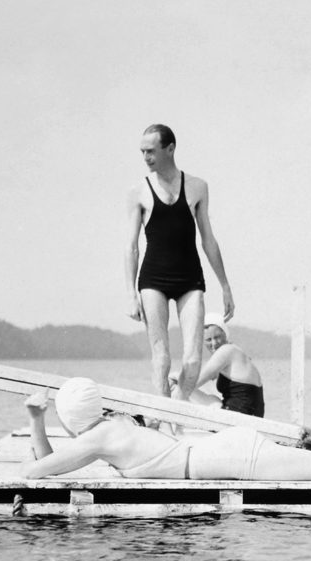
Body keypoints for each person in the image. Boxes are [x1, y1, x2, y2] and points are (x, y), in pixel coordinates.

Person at [17, 378, 311, 482]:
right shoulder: (113, 424)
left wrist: (36, 421)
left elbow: (38, 472)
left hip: (231, 458)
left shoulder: (100, 437)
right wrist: (39, 421)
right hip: (225, 452)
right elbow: (48, 465)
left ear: (72, 418)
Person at [126, 123, 235, 401]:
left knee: (192, 361)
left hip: (189, 278)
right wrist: (130, 294)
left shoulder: (198, 187)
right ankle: (168, 423)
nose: (146, 157)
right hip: (153, 280)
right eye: (142, 152)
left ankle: (175, 410)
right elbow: (131, 247)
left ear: (170, 149)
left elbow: (208, 239)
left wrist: (225, 285)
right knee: (161, 358)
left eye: (151, 151)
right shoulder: (138, 192)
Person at [186, 314, 265, 417]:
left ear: (225, 334)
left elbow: (190, 384)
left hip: (237, 419)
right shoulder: (234, 350)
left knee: (179, 386)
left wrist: (174, 377)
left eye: (217, 337)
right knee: (208, 395)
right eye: (208, 340)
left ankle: (170, 424)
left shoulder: (226, 351)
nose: (214, 343)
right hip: (253, 417)